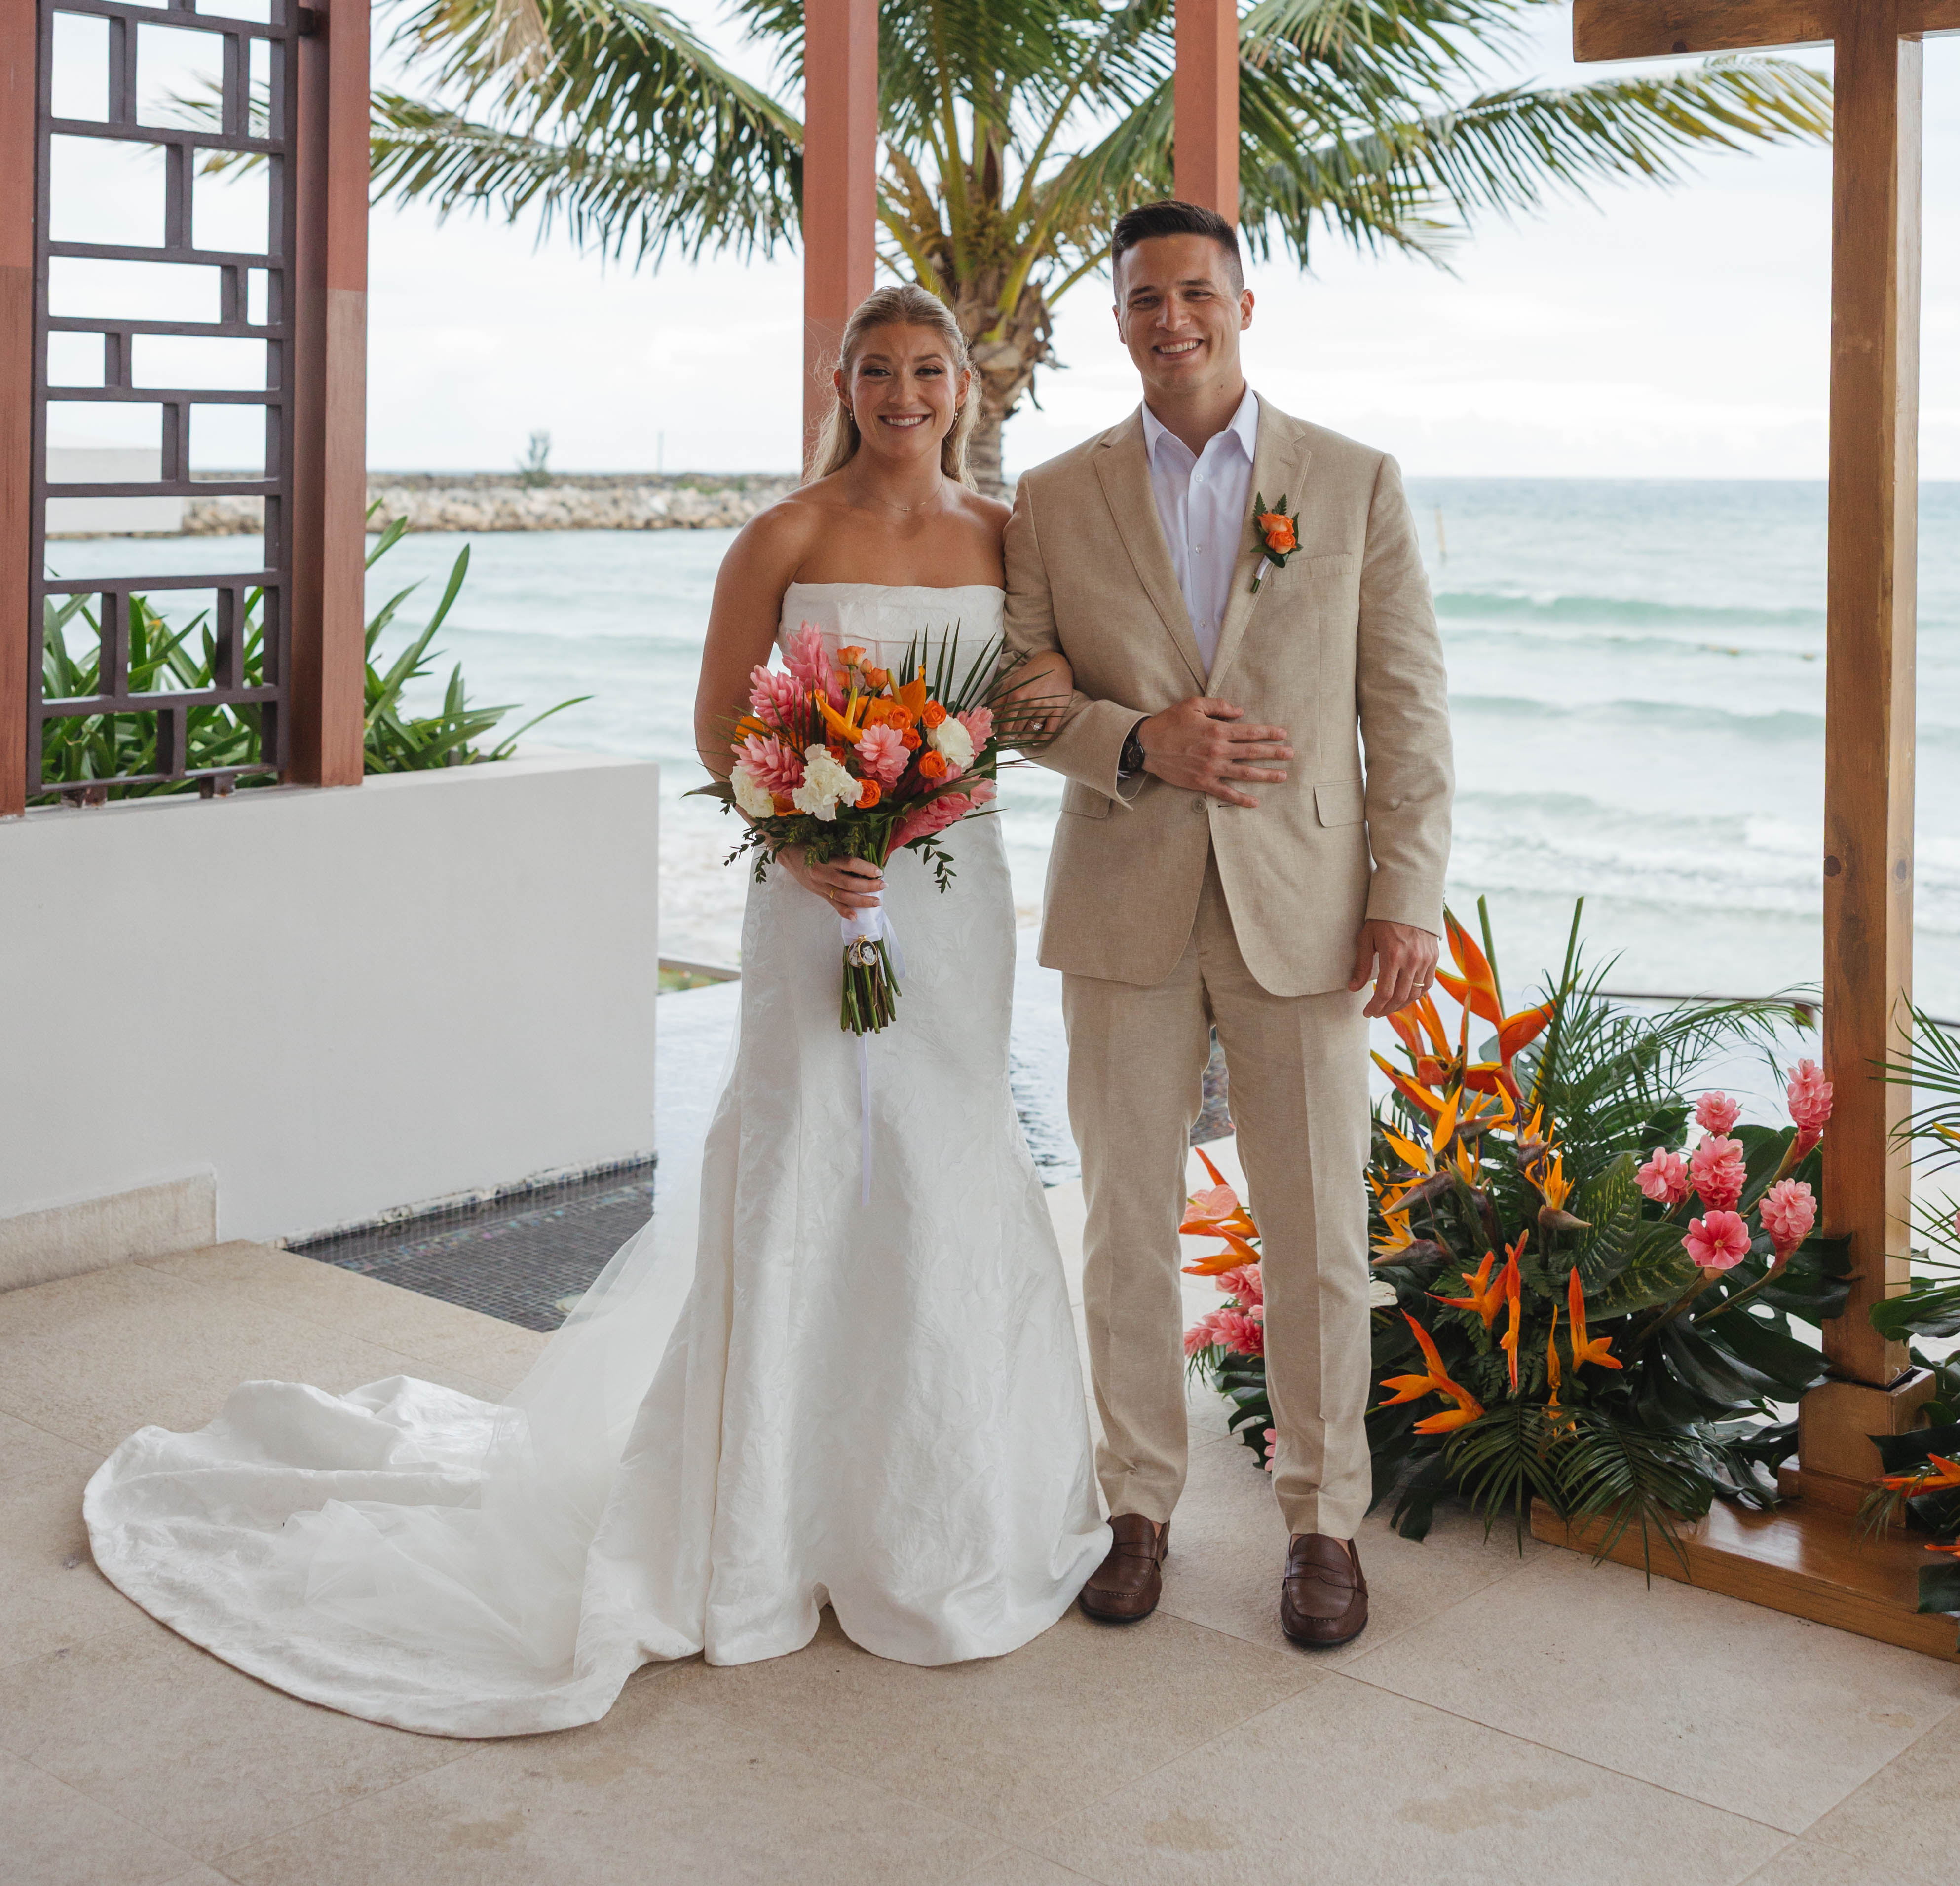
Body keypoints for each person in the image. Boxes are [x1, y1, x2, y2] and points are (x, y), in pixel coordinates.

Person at [84, 285, 1107, 1736]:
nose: (902, 393)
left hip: (949, 898)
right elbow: (720, 724)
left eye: (925, 371)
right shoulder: (786, 533)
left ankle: (943, 1509)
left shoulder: (1006, 539)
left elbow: (1040, 688)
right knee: (805, 1152)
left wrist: (1022, 711)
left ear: (964, 388)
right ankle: (756, 1526)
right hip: (812, 894)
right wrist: (805, 842)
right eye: (876, 369)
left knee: (947, 1164)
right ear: (841, 380)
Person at [1004, 200, 1453, 1650]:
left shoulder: (1353, 479)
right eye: (1144, 298)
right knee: (1123, 1224)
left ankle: (1323, 1527)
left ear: (1243, 306)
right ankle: (1135, 1504)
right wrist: (1140, 741)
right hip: (1122, 901)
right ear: (1118, 317)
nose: (1170, 319)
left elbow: (1404, 708)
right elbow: (1016, 694)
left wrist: (1403, 895)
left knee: (1317, 1232)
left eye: (1195, 293)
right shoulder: (1054, 493)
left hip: (1305, 912)